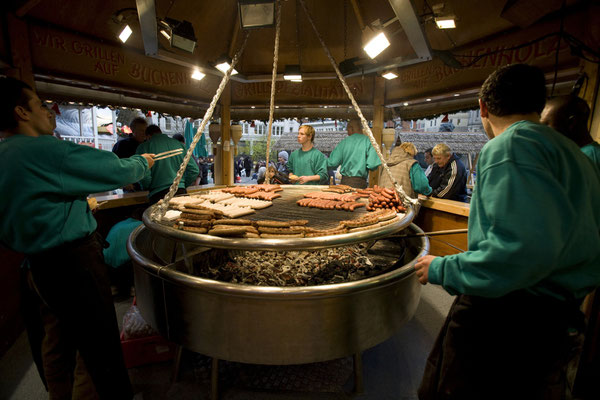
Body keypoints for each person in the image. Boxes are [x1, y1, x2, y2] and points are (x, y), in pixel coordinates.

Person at [414, 64, 600, 400]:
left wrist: (442, 268)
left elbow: (517, 254)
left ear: (483, 107)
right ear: (537, 105)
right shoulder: (577, 156)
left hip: (506, 320)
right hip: (558, 318)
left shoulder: (508, 147)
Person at [0, 77, 155, 399]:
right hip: (72, 265)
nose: (49, 112)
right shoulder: (45, 149)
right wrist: (143, 162)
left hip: (33, 268)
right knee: (97, 346)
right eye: (40, 105)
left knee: (55, 343)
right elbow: (117, 171)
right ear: (21, 112)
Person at [136, 124, 199, 205]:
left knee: (160, 217)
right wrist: (182, 184)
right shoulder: (179, 145)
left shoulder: (143, 148)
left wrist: (146, 187)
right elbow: (194, 170)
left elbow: (145, 176)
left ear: (148, 136)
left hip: (158, 195)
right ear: (160, 132)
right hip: (180, 192)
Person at [541, 95, 600, 169]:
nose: (542, 131)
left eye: (546, 125)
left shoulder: (585, 159)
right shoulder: (576, 155)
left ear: (571, 122)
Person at [326, 118, 381, 188]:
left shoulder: (344, 142)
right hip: (361, 183)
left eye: (347, 130)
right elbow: (372, 165)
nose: (347, 133)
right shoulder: (369, 142)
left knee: (344, 198)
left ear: (351, 128)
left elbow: (332, 163)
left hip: (345, 182)